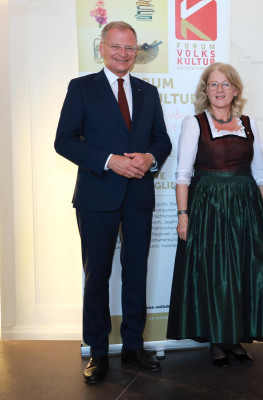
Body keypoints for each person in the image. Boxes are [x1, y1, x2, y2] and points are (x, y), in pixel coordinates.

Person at [54, 21, 172, 383]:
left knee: (136, 273)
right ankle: (98, 351)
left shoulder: (148, 92)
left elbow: (162, 140)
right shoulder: (81, 88)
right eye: (116, 46)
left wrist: (150, 158)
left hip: (138, 195)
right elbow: (64, 141)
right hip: (96, 195)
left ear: (137, 52)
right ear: (102, 48)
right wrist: (109, 161)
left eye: (130, 48)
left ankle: (134, 346)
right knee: (97, 276)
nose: (123, 54)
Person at [166, 62, 263, 367]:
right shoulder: (195, 123)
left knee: (242, 269)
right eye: (213, 84)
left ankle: (235, 337)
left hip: (244, 207)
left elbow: (260, 172)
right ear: (205, 90)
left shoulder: (248, 124)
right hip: (208, 206)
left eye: (225, 84)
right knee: (214, 273)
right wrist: (183, 214)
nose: (219, 89)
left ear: (236, 90)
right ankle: (216, 339)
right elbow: (183, 174)